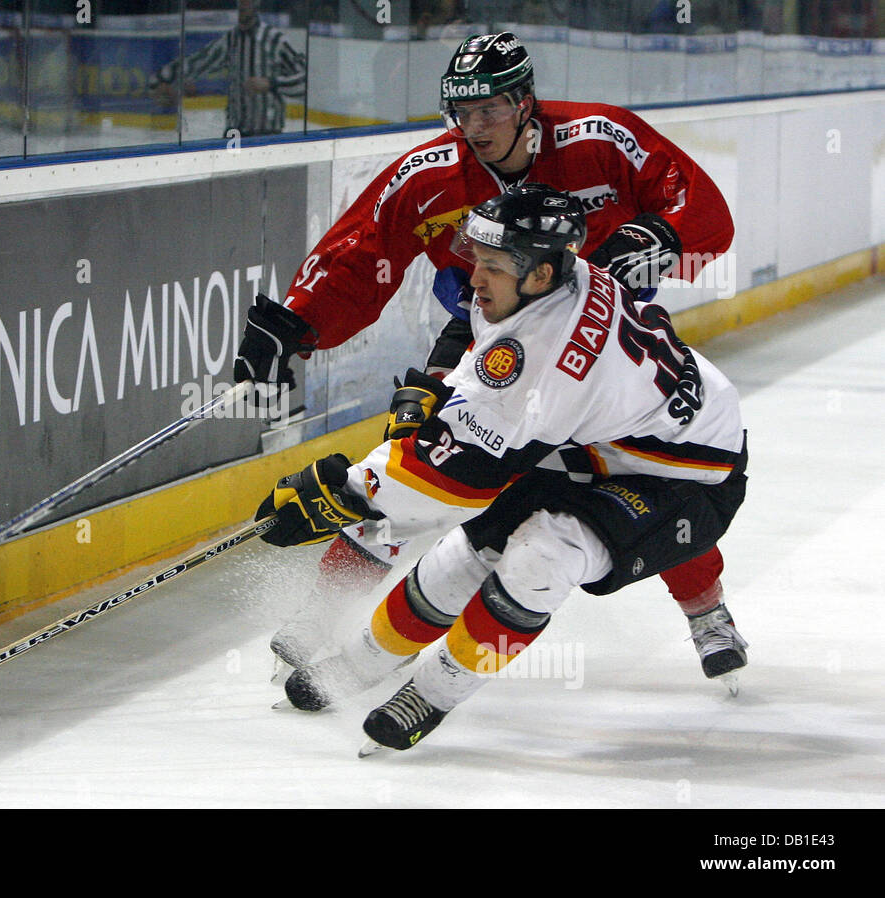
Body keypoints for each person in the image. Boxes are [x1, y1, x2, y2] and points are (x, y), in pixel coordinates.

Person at [233, 31, 745, 684]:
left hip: (604, 355)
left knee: (635, 473)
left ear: (525, 102)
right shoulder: (431, 175)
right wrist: (295, 322)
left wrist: (664, 234)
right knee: (418, 451)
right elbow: (361, 250)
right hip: (488, 339)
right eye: (463, 112)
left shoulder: (600, 138)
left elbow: (698, 206)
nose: (474, 127)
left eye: (491, 110)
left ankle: (706, 610)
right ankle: (319, 616)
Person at [253, 184, 748, 753]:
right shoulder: (549, 283)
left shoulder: (550, 358)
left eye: (491, 265)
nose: (474, 277)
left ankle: (435, 691)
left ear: (539, 273)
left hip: (686, 480)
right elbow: (479, 362)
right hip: (601, 444)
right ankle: (362, 660)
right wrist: (439, 395)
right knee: (465, 554)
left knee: (543, 554)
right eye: (477, 258)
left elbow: (456, 481)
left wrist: (347, 490)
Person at [148, 0, 306, 138]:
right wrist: (160, 79)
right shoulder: (231, 39)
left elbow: (303, 81)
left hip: (268, 132)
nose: (242, 4)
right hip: (235, 132)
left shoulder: (274, 39)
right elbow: (198, 62)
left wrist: (271, 83)